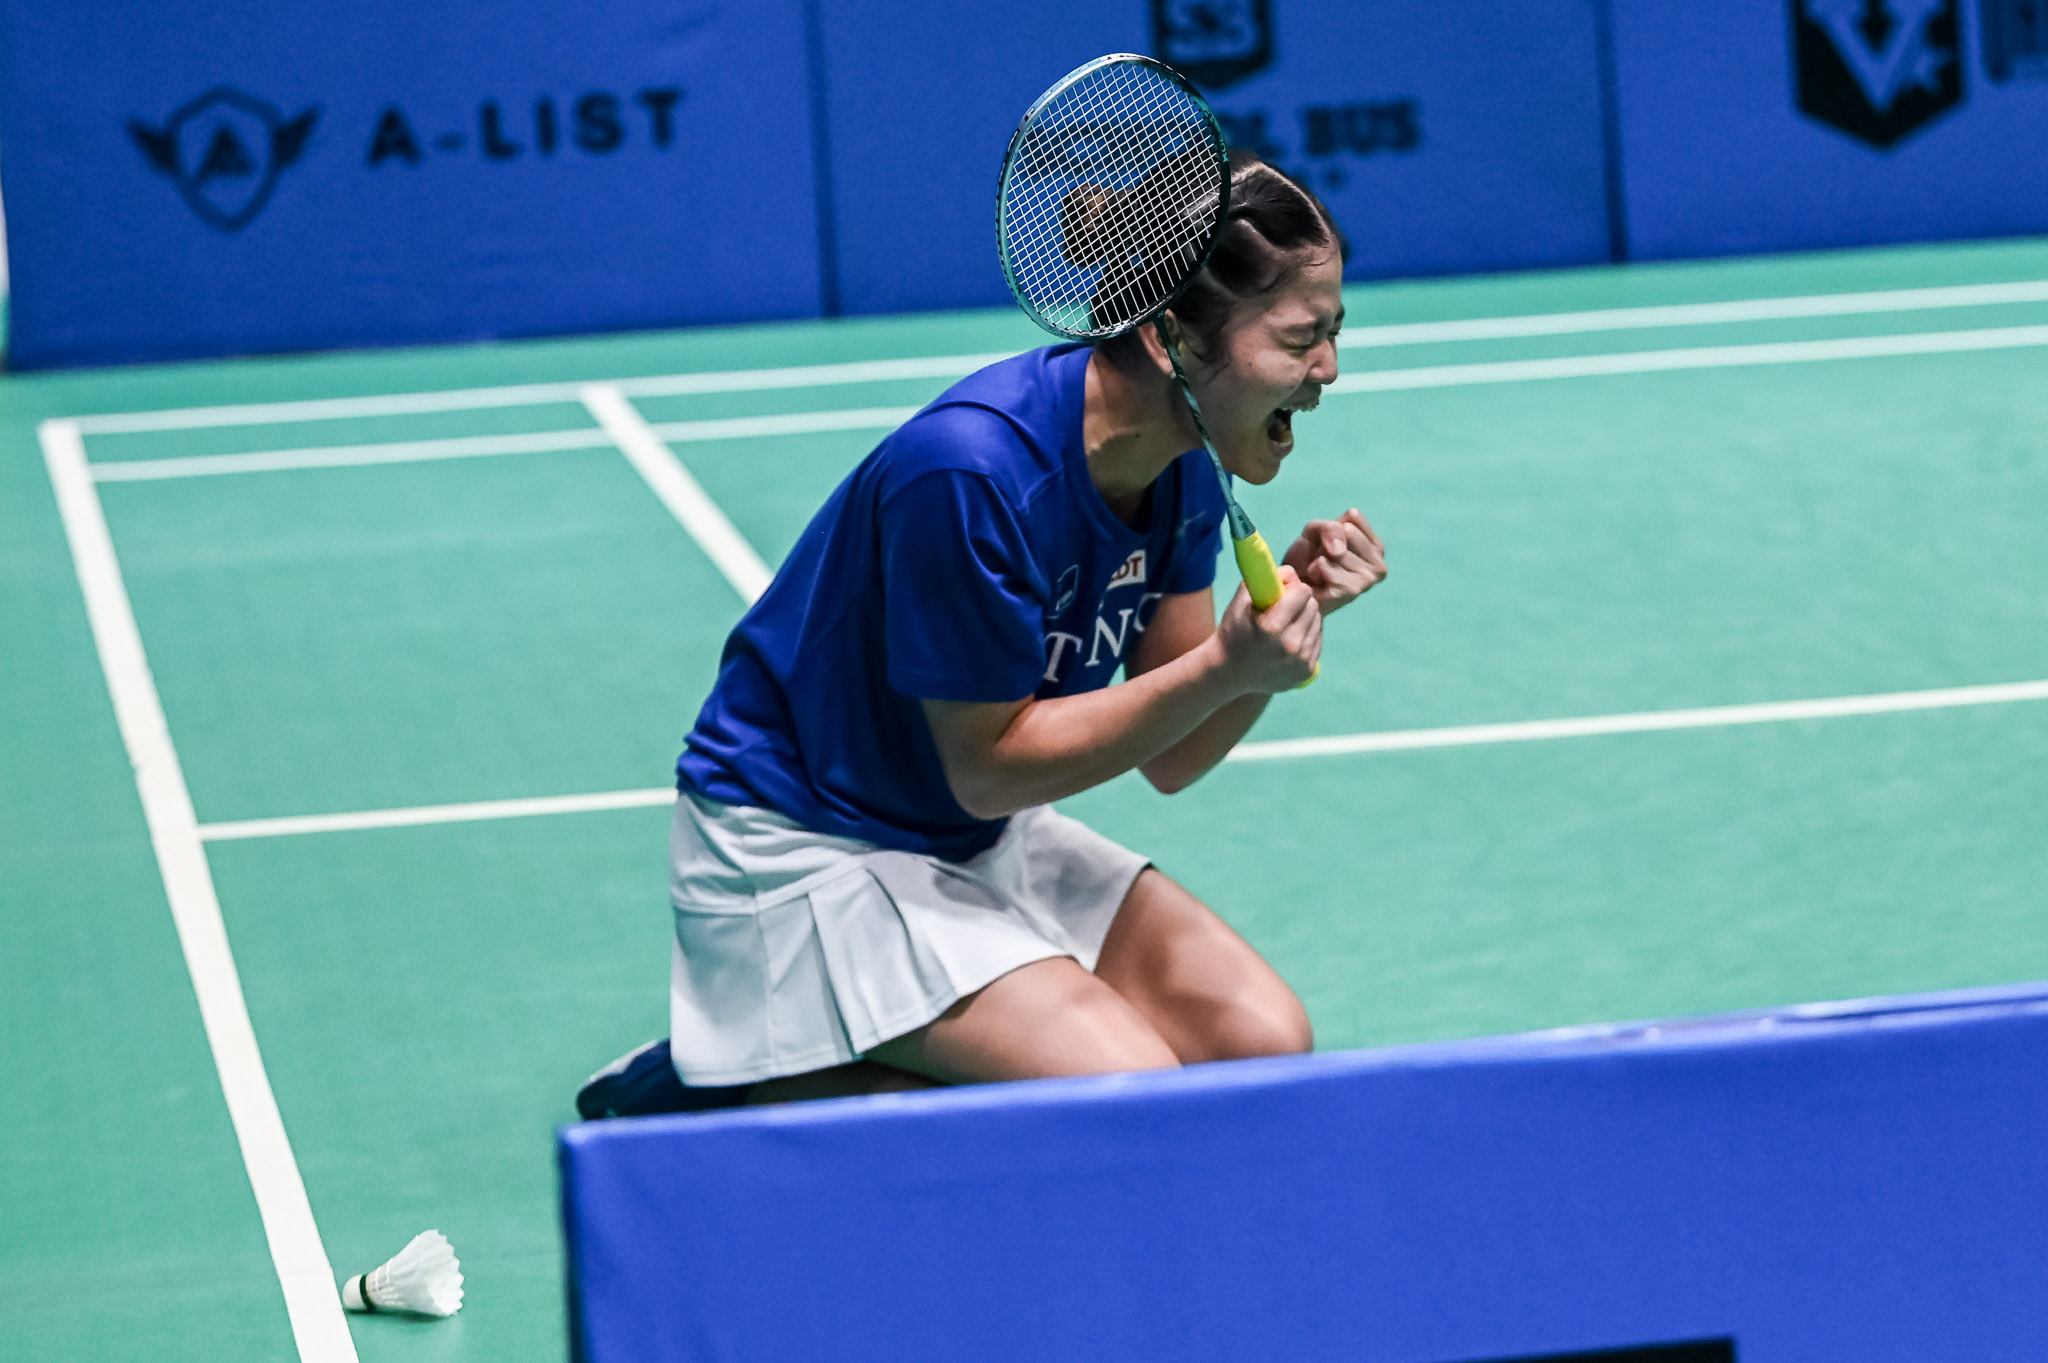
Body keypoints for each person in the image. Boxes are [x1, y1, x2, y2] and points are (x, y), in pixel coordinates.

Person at [577, 150, 1386, 1118]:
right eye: (1301, 337)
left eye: (1332, 333)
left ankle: (863, 1047)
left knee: (1259, 1041)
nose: (1328, 370)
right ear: (1171, 334)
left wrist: (1265, 645)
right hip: (808, 842)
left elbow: (1172, 755)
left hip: (969, 833)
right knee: (1126, 1089)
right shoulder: (969, 474)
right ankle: (739, 1076)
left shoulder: (1182, 463)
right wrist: (1224, 665)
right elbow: (988, 770)